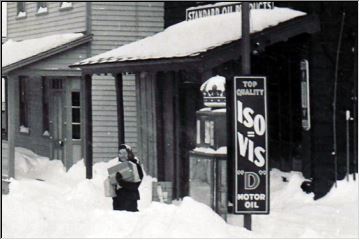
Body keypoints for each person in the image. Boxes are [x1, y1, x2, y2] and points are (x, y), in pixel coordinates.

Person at [112, 144, 144, 212]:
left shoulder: (135, 166)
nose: (122, 156)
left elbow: (135, 185)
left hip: (130, 200)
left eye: (124, 153)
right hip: (118, 201)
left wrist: (121, 182)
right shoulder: (117, 166)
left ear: (129, 153)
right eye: (120, 153)